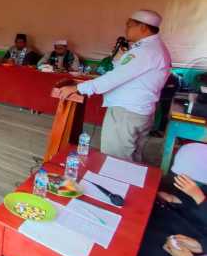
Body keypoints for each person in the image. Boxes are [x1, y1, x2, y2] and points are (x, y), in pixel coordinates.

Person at [57, 10, 171, 161]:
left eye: (129, 25)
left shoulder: (145, 51)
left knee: (116, 159)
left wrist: (78, 88)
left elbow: (114, 78)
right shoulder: (153, 48)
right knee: (133, 158)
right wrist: (119, 57)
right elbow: (124, 71)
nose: (126, 29)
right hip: (138, 111)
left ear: (143, 27)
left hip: (126, 113)